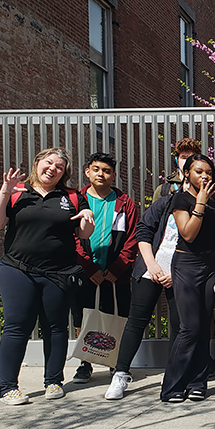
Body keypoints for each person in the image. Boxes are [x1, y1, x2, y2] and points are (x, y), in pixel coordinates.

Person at [0, 148, 94, 405]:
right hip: (18, 269)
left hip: (58, 273)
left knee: (56, 327)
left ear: (64, 173)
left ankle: (53, 381)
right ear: (37, 164)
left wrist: (88, 218)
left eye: (59, 166)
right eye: (49, 162)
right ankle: (8, 387)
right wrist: (4, 192)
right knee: (16, 327)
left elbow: (84, 233)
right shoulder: (17, 193)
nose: (53, 168)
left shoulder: (72, 196)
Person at [104, 180, 184, 400]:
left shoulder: (202, 208)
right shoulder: (164, 203)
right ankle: (120, 373)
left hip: (179, 274)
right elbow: (143, 231)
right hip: (150, 269)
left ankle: (173, 374)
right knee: (136, 321)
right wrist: (151, 264)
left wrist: (176, 272)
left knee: (178, 324)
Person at [161, 154, 215, 402]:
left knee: (204, 327)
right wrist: (199, 202)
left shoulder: (212, 202)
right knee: (189, 327)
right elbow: (188, 234)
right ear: (187, 174)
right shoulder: (181, 199)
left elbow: (214, 243)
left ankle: (198, 383)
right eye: (199, 171)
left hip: (209, 266)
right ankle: (172, 386)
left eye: (208, 172)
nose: (204, 176)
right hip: (186, 264)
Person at [72, 153, 139, 384]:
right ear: (87, 172)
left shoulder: (125, 203)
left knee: (116, 316)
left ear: (113, 175)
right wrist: (89, 267)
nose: (101, 174)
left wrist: (117, 269)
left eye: (107, 171)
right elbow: (71, 237)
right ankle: (84, 364)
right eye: (96, 169)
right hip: (84, 272)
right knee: (83, 317)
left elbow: (132, 238)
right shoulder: (76, 200)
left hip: (115, 275)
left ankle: (115, 363)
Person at [152, 138, 201, 202]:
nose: (187, 161)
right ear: (176, 161)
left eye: (191, 158)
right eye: (184, 157)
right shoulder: (163, 190)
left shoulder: (206, 187)